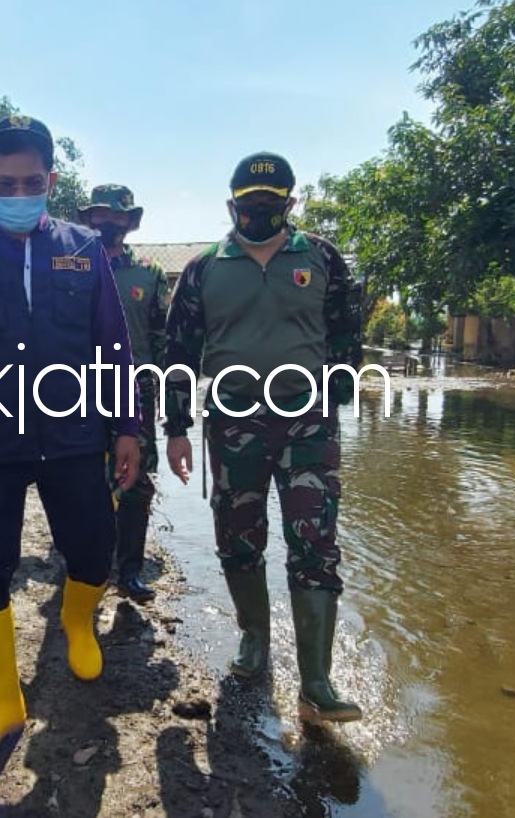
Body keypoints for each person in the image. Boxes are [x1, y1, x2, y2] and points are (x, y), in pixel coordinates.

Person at [0, 114, 141, 767]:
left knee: (93, 549)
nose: (20, 193)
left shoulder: (83, 248)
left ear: (51, 180)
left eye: (32, 182)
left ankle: (76, 621)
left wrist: (127, 426)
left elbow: (112, 343)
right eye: (6, 183)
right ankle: (1, 705)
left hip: (73, 435)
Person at [162, 151, 366, 724]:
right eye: (248, 203)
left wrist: (340, 389)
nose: (257, 212)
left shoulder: (322, 258)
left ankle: (316, 682)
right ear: (232, 206)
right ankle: (254, 639)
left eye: (269, 204)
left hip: (308, 422)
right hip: (233, 424)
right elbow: (179, 353)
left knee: (314, 539)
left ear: (289, 204)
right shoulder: (204, 269)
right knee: (238, 536)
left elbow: (347, 331)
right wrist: (176, 429)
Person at [78, 184, 169, 603]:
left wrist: (168, 393)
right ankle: (82, 566)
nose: (108, 222)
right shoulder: (70, 265)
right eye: (101, 214)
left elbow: (161, 337)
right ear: (88, 219)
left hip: (137, 391)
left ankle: (130, 570)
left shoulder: (149, 273)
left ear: (130, 222)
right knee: (80, 476)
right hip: (78, 388)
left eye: (117, 215)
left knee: (135, 480)